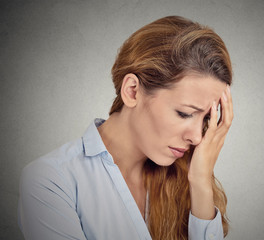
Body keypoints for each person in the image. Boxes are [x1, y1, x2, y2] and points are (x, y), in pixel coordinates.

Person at [18, 16, 233, 240]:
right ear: (132, 91)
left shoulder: (186, 177)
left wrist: (200, 182)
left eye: (207, 120)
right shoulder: (52, 181)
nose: (198, 137)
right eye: (185, 113)